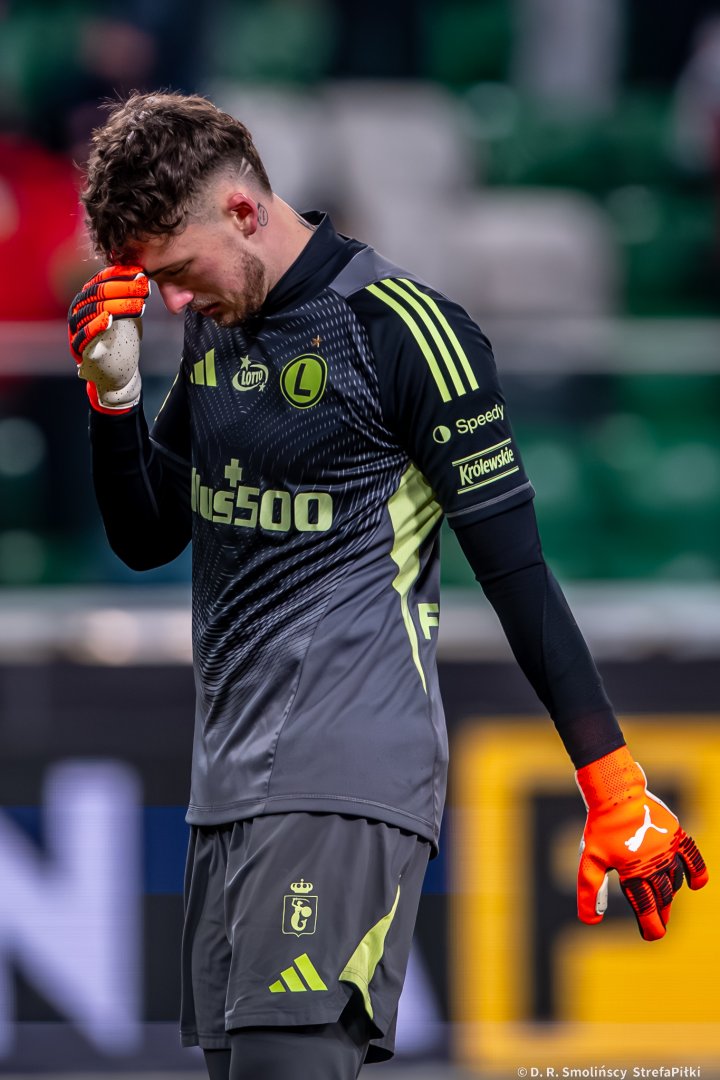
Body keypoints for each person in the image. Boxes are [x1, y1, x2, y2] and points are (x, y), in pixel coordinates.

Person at [67, 92, 708, 1080]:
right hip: (225, 792)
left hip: (345, 779)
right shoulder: (218, 332)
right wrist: (112, 404)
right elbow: (150, 535)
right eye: (156, 284)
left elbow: (517, 571)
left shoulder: (405, 332)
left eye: (179, 273)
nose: (175, 304)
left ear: (242, 211)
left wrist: (612, 782)